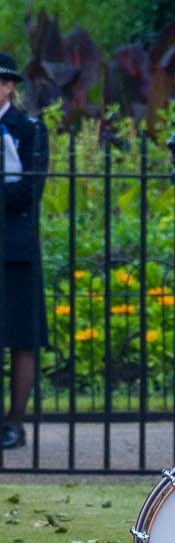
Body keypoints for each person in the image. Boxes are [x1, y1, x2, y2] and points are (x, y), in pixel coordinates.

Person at [0, 54, 44, 451]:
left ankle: (15, 421)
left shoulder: (28, 128)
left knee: (21, 337)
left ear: (10, 87)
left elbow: (29, 190)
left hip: (15, 247)